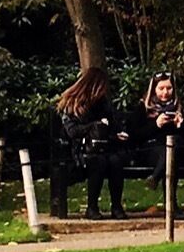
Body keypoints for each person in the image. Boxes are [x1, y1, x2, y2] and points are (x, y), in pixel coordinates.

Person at [57, 65, 134, 219]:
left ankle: (117, 206)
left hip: (105, 147)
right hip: (81, 150)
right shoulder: (72, 105)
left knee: (115, 161)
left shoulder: (104, 104)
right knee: (97, 162)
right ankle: (92, 206)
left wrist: (117, 134)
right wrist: (95, 126)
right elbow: (72, 132)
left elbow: (112, 126)